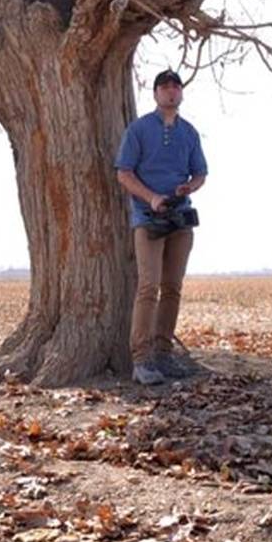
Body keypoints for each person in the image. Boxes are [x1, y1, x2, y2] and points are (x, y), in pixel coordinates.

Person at [115, 69, 208, 386]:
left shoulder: (190, 133)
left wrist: (189, 188)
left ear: (180, 93)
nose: (170, 92)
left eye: (175, 87)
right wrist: (152, 198)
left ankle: (163, 355)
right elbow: (124, 173)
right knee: (148, 286)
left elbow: (200, 174)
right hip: (148, 218)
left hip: (180, 218)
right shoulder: (139, 130)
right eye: (164, 87)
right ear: (155, 94)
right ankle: (141, 361)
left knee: (172, 288)